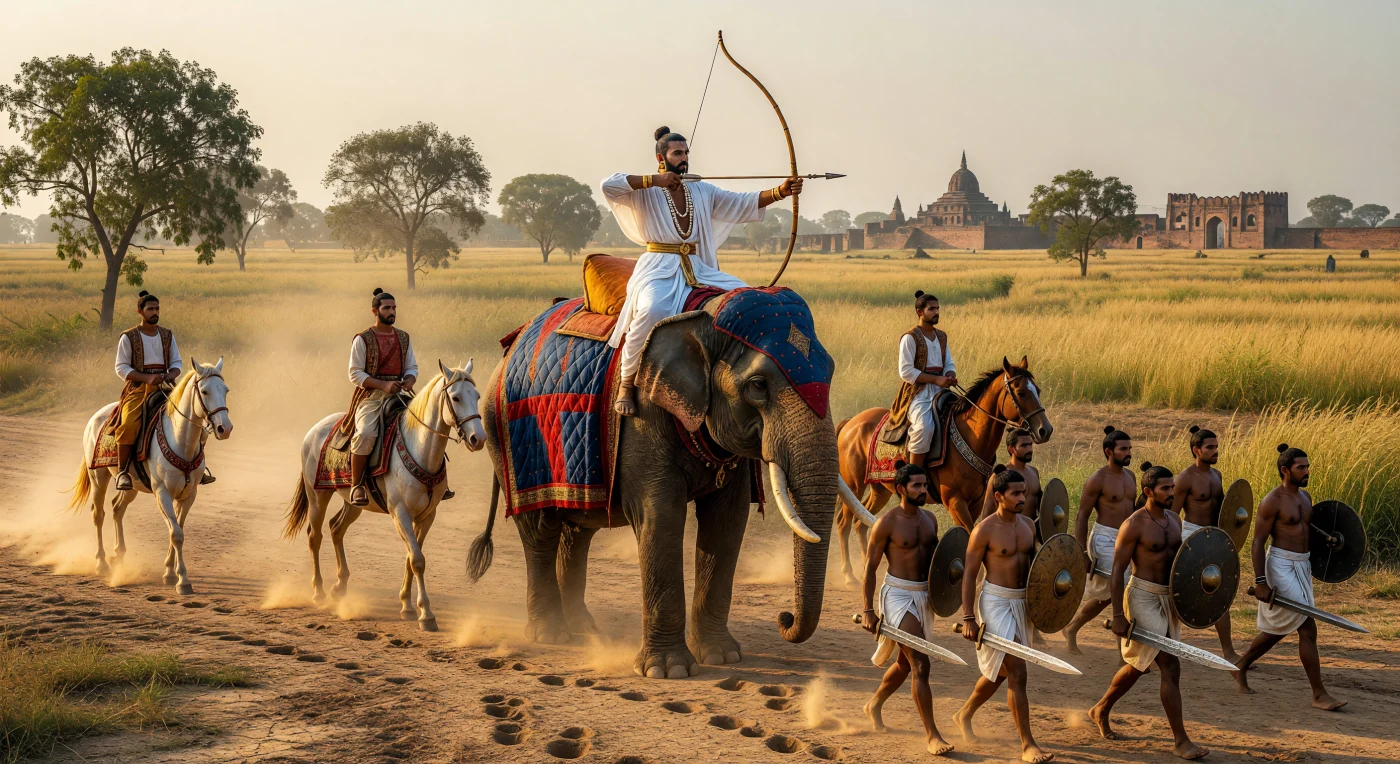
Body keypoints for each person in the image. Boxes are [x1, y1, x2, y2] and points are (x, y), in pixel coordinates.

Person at [601, 126, 802, 416]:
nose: (684, 159)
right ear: (661, 157)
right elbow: (609, 185)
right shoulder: (645, 191)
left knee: (745, 297)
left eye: (686, 154)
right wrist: (654, 180)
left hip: (698, 267)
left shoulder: (701, 189)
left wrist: (780, 192)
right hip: (658, 267)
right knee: (652, 310)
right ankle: (628, 382)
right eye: (677, 153)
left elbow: (740, 202)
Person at [1089, 463, 1208, 760]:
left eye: (1173, 488)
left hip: (1167, 597)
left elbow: (1181, 565)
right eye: (1165, 488)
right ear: (1148, 491)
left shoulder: (1174, 520)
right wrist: (1118, 614)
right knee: (1169, 663)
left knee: (1141, 665)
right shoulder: (1134, 524)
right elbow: (1117, 571)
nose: (1172, 492)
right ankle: (1181, 741)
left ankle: (1101, 708)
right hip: (1141, 595)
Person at [1231, 445, 1345, 710]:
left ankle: (1241, 664)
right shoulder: (1272, 501)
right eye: (1301, 468)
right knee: (1306, 625)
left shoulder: (1305, 497)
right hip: (1280, 566)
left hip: (1302, 566)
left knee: (1278, 628)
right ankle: (1319, 694)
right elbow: (1258, 543)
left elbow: (1306, 533)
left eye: (1307, 466)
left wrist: (1328, 543)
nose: (1307, 472)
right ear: (1285, 470)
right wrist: (1261, 581)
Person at [953, 467, 1053, 764]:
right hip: (995, 602)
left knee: (1001, 671)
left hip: (1021, 603)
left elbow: (1038, 567)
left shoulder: (1028, 526)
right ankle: (1028, 745)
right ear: (999, 496)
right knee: (1018, 671)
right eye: (1016, 494)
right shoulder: (983, 530)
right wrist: (969, 616)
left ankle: (964, 713)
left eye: (1024, 493)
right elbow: (969, 576)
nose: (1022, 498)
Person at [859, 461, 954, 756]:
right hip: (898, 596)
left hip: (924, 597)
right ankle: (932, 735)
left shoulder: (930, 520)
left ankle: (873, 704)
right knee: (921, 664)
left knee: (904, 663)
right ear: (901, 489)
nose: (923, 490)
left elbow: (942, 562)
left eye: (925, 485)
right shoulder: (886, 523)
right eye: (917, 485)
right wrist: (867, 610)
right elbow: (870, 569)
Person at [112, 291, 213, 490]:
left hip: (167, 386)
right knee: (129, 424)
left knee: (195, 420)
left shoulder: (167, 335)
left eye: (157, 308)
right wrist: (147, 377)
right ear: (140, 311)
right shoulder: (129, 337)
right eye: (150, 309)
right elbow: (121, 367)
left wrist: (171, 374)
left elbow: (176, 362)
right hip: (138, 390)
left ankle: (198, 468)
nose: (155, 312)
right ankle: (123, 472)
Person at [344, 288, 423, 507]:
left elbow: (412, 367)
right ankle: (357, 485)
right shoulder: (362, 339)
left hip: (400, 394)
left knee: (426, 426)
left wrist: (408, 380)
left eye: (394, 308)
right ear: (375, 311)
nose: (392, 312)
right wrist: (384, 384)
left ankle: (433, 483)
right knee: (366, 433)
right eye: (387, 308)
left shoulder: (403, 338)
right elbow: (355, 373)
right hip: (371, 397)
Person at [1062, 426, 1136, 654]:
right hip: (1104, 538)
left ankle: (1073, 627)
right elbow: (1082, 516)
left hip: (1126, 537)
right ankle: (1123, 652)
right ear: (1109, 451)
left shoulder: (1131, 476)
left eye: (1130, 448)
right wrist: (1082, 552)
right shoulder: (1097, 479)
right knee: (1122, 588)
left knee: (1110, 595)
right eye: (1123, 449)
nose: (1128, 453)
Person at [1172, 425, 1238, 661]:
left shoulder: (1216, 475)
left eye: (1217, 446)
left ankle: (1229, 651)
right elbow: (1172, 515)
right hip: (1190, 537)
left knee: (1220, 592)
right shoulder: (1184, 478)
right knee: (1176, 594)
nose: (1216, 451)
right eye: (1210, 447)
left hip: (1213, 537)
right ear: (1196, 450)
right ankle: (1164, 648)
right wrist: (1175, 547)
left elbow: (1225, 510)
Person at [885, 291, 957, 468]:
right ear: (919, 312)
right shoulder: (910, 338)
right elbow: (906, 371)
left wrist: (949, 375)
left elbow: (949, 362)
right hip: (918, 393)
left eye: (938, 308)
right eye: (931, 309)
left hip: (941, 391)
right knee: (924, 428)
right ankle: (914, 474)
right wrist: (935, 380)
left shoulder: (942, 336)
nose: (936, 312)